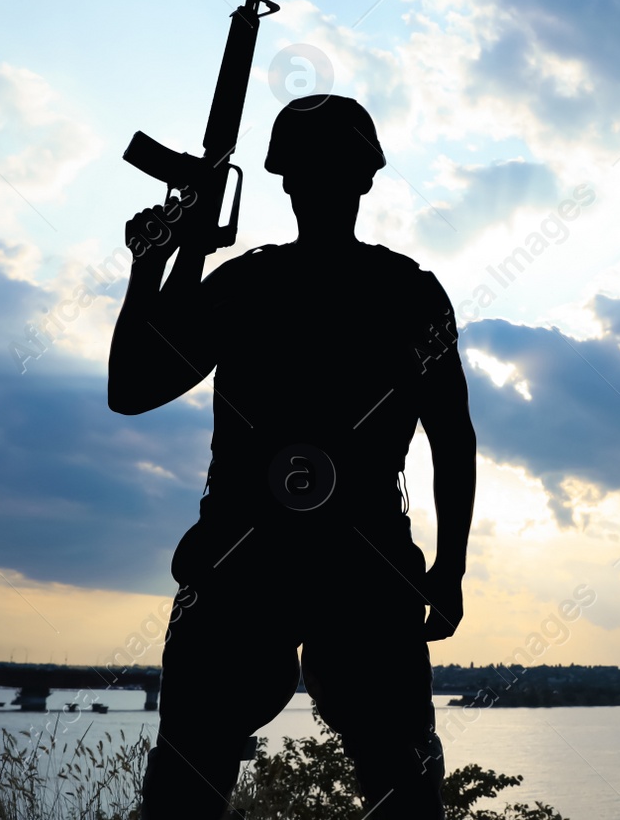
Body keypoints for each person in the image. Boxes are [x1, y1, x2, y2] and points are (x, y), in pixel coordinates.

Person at [108, 94, 476, 820]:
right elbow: (453, 438)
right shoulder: (410, 292)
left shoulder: (248, 284)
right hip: (361, 565)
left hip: (244, 563)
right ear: (367, 179)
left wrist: (149, 268)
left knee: (187, 780)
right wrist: (449, 569)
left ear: (282, 182)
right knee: (404, 787)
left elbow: (131, 388)